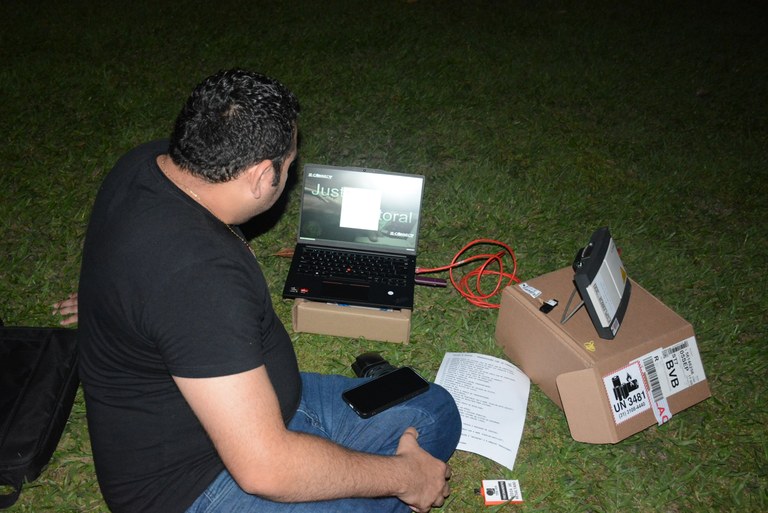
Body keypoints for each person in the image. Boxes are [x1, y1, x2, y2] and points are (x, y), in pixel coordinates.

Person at [75, 69, 462, 513]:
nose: (291, 173)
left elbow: (134, 272)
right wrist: (405, 478)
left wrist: (108, 305)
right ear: (261, 176)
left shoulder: (149, 161)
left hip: (264, 409)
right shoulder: (197, 281)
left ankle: (327, 461)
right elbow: (264, 469)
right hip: (194, 482)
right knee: (404, 477)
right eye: (290, 164)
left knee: (434, 411)